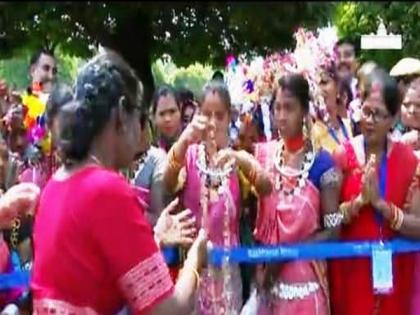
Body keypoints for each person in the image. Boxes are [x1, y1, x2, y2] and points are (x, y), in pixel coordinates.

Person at [32, 50, 207, 315]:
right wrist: (195, 259)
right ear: (121, 115)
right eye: (139, 116)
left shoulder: (54, 187)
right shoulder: (106, 190)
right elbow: (168, 311)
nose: (141, 129)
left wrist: (154, 238)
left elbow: (93, 276)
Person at [163, 80, 272, 314]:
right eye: (206, 114)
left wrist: (241, 159)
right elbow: (168, 183)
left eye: (219, 116)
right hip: (194, 275)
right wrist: (183, 141)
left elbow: (266, 188)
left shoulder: (237, 160)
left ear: (229, 116)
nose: (212, 123)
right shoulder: (189, 156)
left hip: (229, 279)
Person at [242, 74, 341, 315]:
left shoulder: (322, 164)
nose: (282, 116)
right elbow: (253, 217)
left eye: (290, 108)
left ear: (305, 111)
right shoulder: (263, 157)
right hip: (268, 289)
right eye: (277, 108)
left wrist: (286, 254)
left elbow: (334, 231)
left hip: (305, 291)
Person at [329, 68, 420, 315]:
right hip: (350, 275)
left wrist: (381, 206)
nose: (368, 120)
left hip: (394, 278)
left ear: (392, 119)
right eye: (366, 111)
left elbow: (418, 228)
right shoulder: (342, 156)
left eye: (377, 115)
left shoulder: (408, 161)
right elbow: (327, 222)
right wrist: (357, 203)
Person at [312, 62, 354, 154]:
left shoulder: (349, 125)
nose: (318, 89)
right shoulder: (312, 133)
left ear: (338, 87)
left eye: (324, 82)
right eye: (314, 84)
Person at [152, 85, 183, 153]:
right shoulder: (148, 155)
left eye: (172, 111)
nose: (167, 119)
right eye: (162, 114)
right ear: (154, 117)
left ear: (180, 110)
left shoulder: (196, 151)